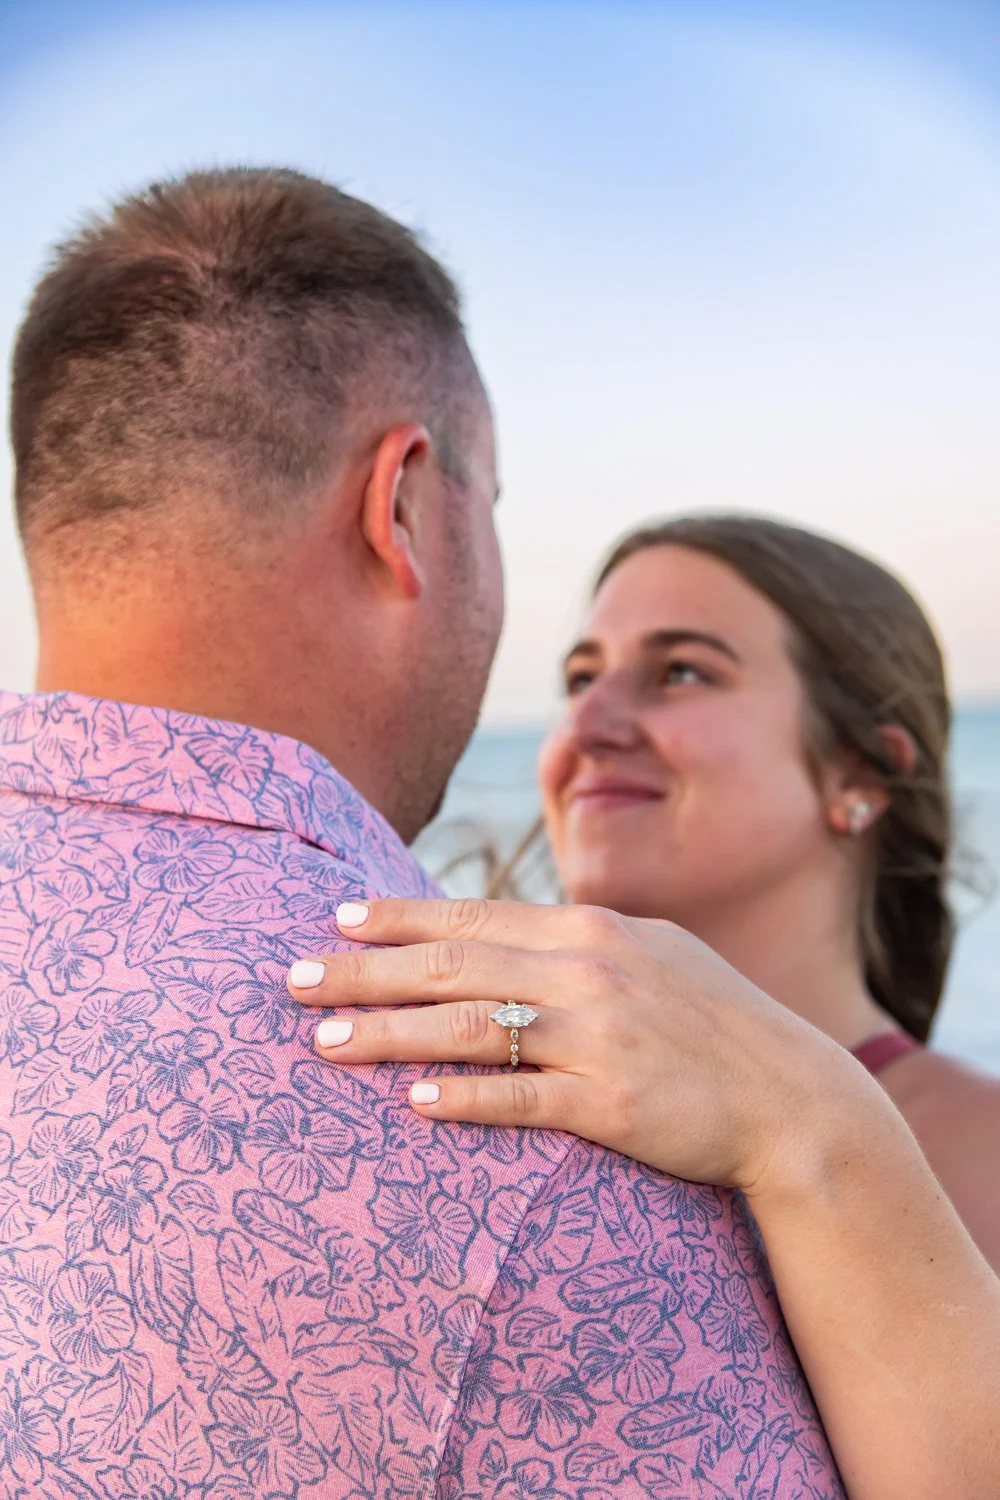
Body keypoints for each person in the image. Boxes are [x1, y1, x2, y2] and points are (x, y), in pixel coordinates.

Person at [0, 175, 843, 1499]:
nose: (599, 722)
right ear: (401, 509)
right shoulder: (539, 1162)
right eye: (489, 507)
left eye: (681, 673)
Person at [288, 516, 1000, 1498]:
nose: (591, 727)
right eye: (580, 680)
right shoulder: (460, 1061)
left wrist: (810, 1122)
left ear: (860, 773)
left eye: (682, 674)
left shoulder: (976, 1147)